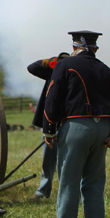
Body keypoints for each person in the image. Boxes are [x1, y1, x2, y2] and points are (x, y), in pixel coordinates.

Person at [43, 30, 110, 218]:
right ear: (95, 48)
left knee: (69, 183)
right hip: (103, 130)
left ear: (74, 46)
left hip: (76, 127)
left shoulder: (65, 65)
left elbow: (52, 97)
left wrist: (49, 129)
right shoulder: (108, 71)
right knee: (94, 184)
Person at [27, 52, 69, 199]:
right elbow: (32, 68)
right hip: (51, 121)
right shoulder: (53, 72)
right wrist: (50, 61)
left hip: (68, 122)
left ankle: (66, 193)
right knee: (48, 161)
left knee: (67, 161)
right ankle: (43, 190)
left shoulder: (75, 75)